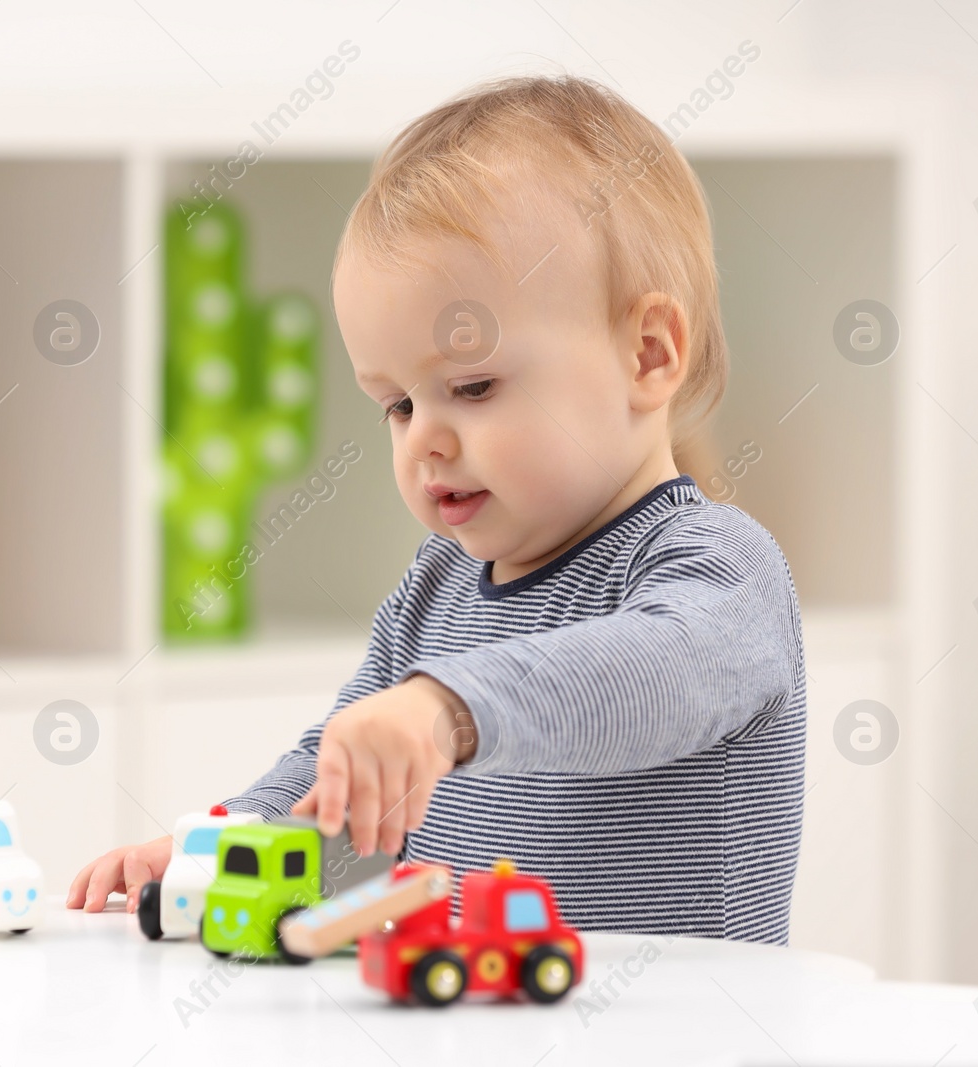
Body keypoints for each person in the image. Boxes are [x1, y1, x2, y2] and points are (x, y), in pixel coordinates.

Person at [69, 74, 806, 943]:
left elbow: (648, 672)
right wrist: (222, 840)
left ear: (647, 354)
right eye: (399, 405)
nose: (425, 439)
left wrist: (447, 710)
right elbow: (340, 760)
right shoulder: (439, 586)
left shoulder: (718, 568)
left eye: (472, 386)